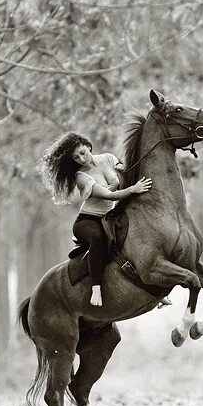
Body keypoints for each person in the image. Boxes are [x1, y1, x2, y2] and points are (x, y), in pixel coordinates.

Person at [39, 132, 169, 308]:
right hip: (87, 221)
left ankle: (154, 291)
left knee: (132, 242)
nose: (81, 159)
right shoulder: (81, 177)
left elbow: (126, 172)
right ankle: (96, 289)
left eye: (83, 152)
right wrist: (134, 189)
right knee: (98, 239)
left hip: (108, 217)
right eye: (76, 157)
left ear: (89, 146)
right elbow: (110, 195)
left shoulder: (108, 158)